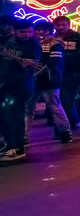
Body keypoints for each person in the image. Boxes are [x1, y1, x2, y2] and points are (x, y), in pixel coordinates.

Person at [1, 18, 42, 163]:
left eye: (29, 31)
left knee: (15, 117)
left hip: (20, 86)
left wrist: (17, 60)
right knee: (4, 117)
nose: (27, 35)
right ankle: (9, 146)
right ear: (14, 31)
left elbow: (29, 66)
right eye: (22, 32)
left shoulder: (33, 44)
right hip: (5, 86)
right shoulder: (8, 40)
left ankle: (17, 149)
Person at [30, 19, 72, 144]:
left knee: (55, 106)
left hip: (50, 80)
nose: (40, 32)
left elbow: (53, 63)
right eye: (38, 29)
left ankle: (65, 132)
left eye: (43, 30)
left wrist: (36, 73)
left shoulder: (55, 43)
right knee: (28, 107)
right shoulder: (32, 43)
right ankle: (24, 136)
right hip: (34, 80)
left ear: (49, 31)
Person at [53, 15, 80, 130]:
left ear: (69, 25)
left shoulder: (78, 38)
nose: (61, 27)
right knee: (61, 99)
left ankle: (68, 124)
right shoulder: (52, 38)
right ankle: (73, 121)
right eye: (58, 25)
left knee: (67, 98)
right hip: (57, 73)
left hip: (74, 73)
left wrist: (64, 58)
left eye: (64, 25)